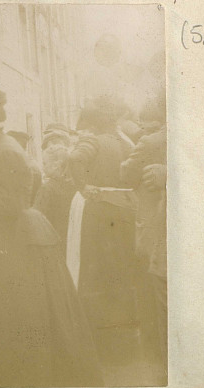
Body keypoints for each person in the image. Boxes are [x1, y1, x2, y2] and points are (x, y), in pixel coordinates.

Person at [0, 78, 102, 387]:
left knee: (23, 323)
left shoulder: (4, 150)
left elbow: (12, 204)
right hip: (13, 242)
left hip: (18, 246)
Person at [67, 95, 138, 365]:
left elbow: (74, 157)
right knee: (121, 271)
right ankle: (124, 339)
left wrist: (82, 185)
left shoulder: (92, 141)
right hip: (125, 211)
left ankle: (99, 339)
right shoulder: (124, 141)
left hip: (99, 213)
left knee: (95, 271)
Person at [120, 94, 167, 380]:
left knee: (157, 296)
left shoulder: (149, 142)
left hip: (155, 230)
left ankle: (160, 364)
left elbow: (126, 172)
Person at [34, 123, 77, 252]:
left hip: (52, 242)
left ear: (56, 165)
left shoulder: (47, 188)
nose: (43, 167)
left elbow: (37, 217)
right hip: (70, 239)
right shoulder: (74, 185)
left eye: (45, 164)